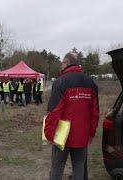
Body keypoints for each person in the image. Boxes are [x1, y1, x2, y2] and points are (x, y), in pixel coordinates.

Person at [44, 52, 99, 180]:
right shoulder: (90, 83)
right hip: (82, 134)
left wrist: (49, 134)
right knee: (79, 167)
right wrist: (91, 134)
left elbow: (53, 112)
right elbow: (95, 113)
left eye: (62, 63)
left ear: (66, 63)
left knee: (57, 167)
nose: (61, 66)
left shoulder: (60, 82)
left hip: (62, 135)